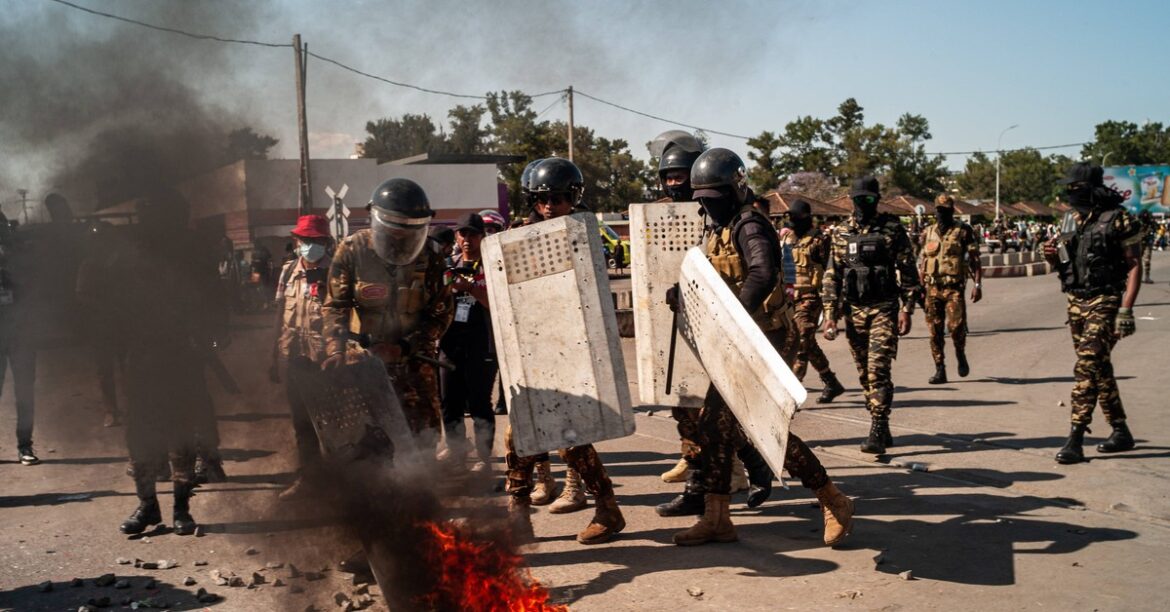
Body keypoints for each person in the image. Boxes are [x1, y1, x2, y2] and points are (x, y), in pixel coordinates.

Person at [671, 148, 853, 547]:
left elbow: (763, 272)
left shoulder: (750, 224)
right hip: (737, 341)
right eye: (703, 200)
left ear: (735, 190)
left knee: (763, 430)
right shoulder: (719, 227)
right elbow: (713, 278)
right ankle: (717, 519)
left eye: (714, 199)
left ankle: (833, 499)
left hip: (768, 339)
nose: (708, 207)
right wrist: (683, 293)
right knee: (713, 426)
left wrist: (735, 312)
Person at [503, 157, 625, 545]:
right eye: (542, 200)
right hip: (531, 351)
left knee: (571, 439)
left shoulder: (584, 235)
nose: (549, 206)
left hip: (572, 350)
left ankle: (607, 509)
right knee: (518, 437)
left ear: (572, 198)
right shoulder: (516, 239)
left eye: (557, 198)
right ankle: (518, 516)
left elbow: (592, 298)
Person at [115, 192, 222, 536]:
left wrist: (211, 335)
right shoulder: (128, 253)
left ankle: (180, 508)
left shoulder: (192, 251)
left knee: (180, 434)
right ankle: (147, 506)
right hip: (141, 354)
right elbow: (106, 301)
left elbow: (214, 296)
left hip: (181, 353)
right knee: (140, 435)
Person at [322, 178, 453, 454]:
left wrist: (405, 346)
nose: (400, 238)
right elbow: (335, 306)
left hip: (414, 364)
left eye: (409, 231)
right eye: (394, 230)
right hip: (363, 365)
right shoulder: (352, 250)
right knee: (365, 445)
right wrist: (336, 350)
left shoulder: (431, 256)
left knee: (422, 445)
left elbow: (441, 312)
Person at [1043, 162, 1142, 464]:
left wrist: (1126, 309)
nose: (1071, 194)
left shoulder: (1119, 220)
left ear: (1092, 189)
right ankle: (1121, 430)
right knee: (1099, 368)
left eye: (1076, 188)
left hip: (1106, 301)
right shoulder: (1071, 220)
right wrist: (1051, 257)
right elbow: (1065, 263)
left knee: (1086, 366)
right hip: (1075, 301)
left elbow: (1134, 264)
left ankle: (1075, 437)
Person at [822, 176, 921, 455]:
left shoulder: (892, 229)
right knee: (865, 373)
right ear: (851, 200)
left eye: (869, 199)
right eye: (859, 199)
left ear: (876, 200)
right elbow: (832, 275)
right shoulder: (841, 232)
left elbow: (909, 271)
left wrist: (906, 308)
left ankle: (877, 426)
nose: (864, 204)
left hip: (884, 308)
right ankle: (882, 422)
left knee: (878, 369)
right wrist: (830, 314)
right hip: (854, 311)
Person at [271, 215, 333, 500]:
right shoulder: (287, 273)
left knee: (333, 426)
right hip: (295, 360)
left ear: (326, 242)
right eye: (306, 240)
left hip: (326, 362)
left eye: (316, 241)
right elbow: (279, 316)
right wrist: (274, 358)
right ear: (297, 241)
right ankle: (310, 479)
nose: (310, 246)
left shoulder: (336, 273)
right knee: (302, 426)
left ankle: (344, 485)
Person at [439, 213, 497, 473]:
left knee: (479, 404)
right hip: (450, 345)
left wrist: (470, 287)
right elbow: (436, 302)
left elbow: (497, 303)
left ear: (481, 236)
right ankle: (457, 454)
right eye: (462, 234)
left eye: (472, 234)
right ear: (456, 237)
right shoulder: (448, 265)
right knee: (449, 403)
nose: (467, 239)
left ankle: (485, 459)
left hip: (481, 345)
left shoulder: (492, 265)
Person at [781, 199, 846, 402]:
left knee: (802, 338)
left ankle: (789, 393)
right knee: (805, 343)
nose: (792, 221)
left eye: (795, 217)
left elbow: (831, 272)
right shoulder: (788, 239)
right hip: (790, 297)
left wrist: (833, 308)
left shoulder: (820, 241)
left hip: (812, 297)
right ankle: (830, 381)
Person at [920, 194, 983, 384]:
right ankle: (940, 369)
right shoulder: (928, 232)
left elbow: (975, 260)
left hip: (954, 288)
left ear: (952, 211)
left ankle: (960, 352)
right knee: (934, 331)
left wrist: (978, 285)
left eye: (945, 210)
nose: (941, 214)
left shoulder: (964, 231)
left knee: (955, 327)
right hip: (932, 288)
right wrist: (920, 283)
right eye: (939, 210)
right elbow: (923, 260)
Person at [1138, 210, 1155, 284]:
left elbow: (1154, 229)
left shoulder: (1150, 223)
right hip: (1139, 243)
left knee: (1147, 260)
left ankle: (1147, 277)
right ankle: (1137, 277)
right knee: (1137, 261)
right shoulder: (1137, 223)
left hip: (1147, 243)